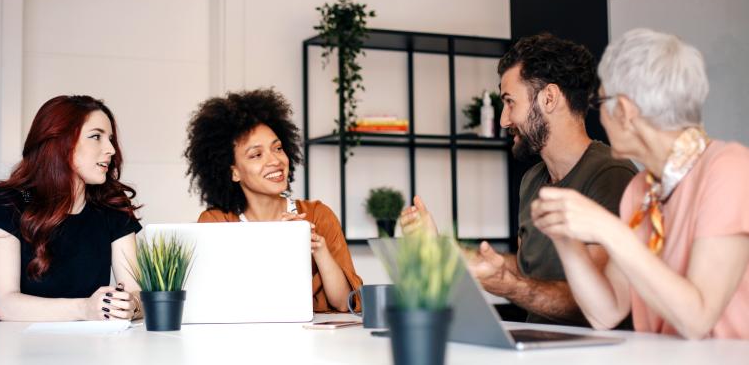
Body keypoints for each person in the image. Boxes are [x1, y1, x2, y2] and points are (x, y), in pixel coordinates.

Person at [400, 34, 637, 326]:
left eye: (510, 102)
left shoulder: (611, 175)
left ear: (549, 98)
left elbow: (593, 304)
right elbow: (529, 271)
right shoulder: (532, 180)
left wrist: (505, 285)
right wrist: (443, 249)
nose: (503, 120)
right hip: (536, 346)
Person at [531, 28, 749, 339]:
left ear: (625, 110)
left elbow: (697, 319)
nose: (601, 117)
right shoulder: (641, 191)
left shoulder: (729, 169)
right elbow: (606, 312)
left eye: (601, 102)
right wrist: (566, 240)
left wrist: (610, 230)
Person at [184, 89, 363, 312]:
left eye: (278, 148)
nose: (275, 160)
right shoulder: (216, 222)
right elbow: (214, 300)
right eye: (256, 155)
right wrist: (279, 248)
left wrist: (318, 248)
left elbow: (344, 303)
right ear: (233, 172)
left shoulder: (318, 215)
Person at [0, 95, 142, 321]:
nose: (111, 149)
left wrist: (130, 305)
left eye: (110, 138)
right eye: (96, 137)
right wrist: (84, 309)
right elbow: (6, 304)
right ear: (59, 142)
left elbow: (136, 294)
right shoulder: (12, 203)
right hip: (19, 346)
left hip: (91, 347)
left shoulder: (111, 204)